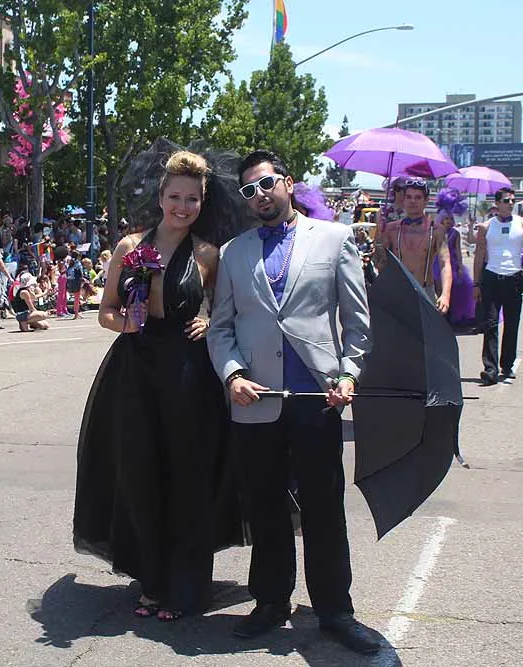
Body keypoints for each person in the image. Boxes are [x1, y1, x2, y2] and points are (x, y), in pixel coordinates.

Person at [207, 150, 378, 654]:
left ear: (288, 182)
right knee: (264, 505)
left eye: (266, 184)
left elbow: (358, 324)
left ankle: (335, 610)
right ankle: (270, 601)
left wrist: (349, 374)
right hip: (256, 399)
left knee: (324, 507)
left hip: (317, 399)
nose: (259, 195)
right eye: (249, 190)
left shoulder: (335, 238)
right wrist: (232, 375)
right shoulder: (234, 252)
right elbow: (220, 328)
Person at [74, 150, 244, 623]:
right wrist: (124, 323)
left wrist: (209, 319)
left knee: (188, 475)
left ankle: (187, 587)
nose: (182, 207)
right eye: (175, 196)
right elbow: (106, 311)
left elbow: (225, 310)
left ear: (202, 202)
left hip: (190, 377)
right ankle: (151, 582)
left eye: (192, 199)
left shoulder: (209, 254)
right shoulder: (129, 247)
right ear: (161, 196)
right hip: (136, 373)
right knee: (140, 473)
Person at [473, 187, 523, 386]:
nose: (510, 204)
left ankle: (507, 365)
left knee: (512, 324)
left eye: (512, 201)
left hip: (514, 278)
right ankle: (490, 369)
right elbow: (479, 255)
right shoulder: (486, 227)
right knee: (490, 324)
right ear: (497, 203)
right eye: (506, 200)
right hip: (491, 278)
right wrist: (476, 284)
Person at [378, 178, 452, 314]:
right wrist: (379, 232)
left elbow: (445, 263)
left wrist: (445, 295)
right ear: (403, 200)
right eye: (409, 197)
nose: (413, 201)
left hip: (425, 291)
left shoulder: (436, 229)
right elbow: (380, 264)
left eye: (417, 197)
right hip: (398, 292)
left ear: (426, 200)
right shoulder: (392, 228)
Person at [432, 188, 475, 327]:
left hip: (453, 264)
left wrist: (460, 267)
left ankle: (450, 315)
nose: (449, 221)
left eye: (451, 218)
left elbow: (457, 251)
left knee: (454, 290)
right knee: (437, 288)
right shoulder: (435, 232)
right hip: (436, 263)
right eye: (446, 218)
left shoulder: (455, 233)